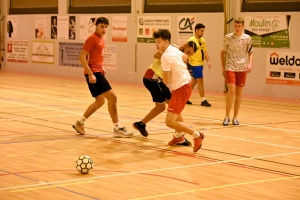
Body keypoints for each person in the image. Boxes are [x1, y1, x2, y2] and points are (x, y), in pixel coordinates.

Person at [72, 17, 133, 138]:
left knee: (100, 101)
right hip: (94, 73)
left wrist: (101, 66)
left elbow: (96, 56)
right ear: (96, 26)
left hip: (97, 71)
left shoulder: (101, 39)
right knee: (113, 97)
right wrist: (90, 73)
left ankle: (80, 123)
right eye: (101, 26)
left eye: (106, 27)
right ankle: (117, 128)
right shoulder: (92, 39)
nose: (104, 29)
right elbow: (82, 57)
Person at [133, 41, 197, 146]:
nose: (188, 55)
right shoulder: (173, 48)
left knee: (161, 107)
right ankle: (180, 136)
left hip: (155, 79)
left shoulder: (180, 57)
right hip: (153, 77)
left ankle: (141, 124)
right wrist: (166, 57)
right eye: (188, 52)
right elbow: (156, 54)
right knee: (174, 104)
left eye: (191, 54)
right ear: (185, 46)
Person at [153, 29, 205, 153]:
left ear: (166, 42)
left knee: (169, 121)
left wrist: (159, 78)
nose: (157, 44)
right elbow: (185, 58)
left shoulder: (166, 56)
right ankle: (177, 137)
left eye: (159, 42)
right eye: (156, 42)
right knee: (176, 116)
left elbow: (165, 80)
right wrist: (180, 70)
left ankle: (197, 135)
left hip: (181, 88)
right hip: (184, 84)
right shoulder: (173, 49)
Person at [220, 17, 253, 126]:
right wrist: (223, 66)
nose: (237, 28)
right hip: (230, 66)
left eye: (239, 26)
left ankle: (235, 117)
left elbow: (250, 52)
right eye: (235, 26)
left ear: (243, 26)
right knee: (231, 90)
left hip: (242, 67)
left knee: (239, 93)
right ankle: (226, 116)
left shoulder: (247, 38)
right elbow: (222, 53)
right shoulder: (228, 37)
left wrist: (250, 63)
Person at [180, 23, 212, 107]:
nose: (202, 32)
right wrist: (185, 63)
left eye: (203, 31)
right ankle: (203, 100)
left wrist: (208, 61)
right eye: (201, 31)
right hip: (194, 63)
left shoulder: (202, 40)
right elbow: (185, 51)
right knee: (200, 80)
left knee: (193, 82)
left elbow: (205, 52)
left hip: (201, 64)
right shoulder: (191, 40)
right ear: (196, 30)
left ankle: (184, 98)